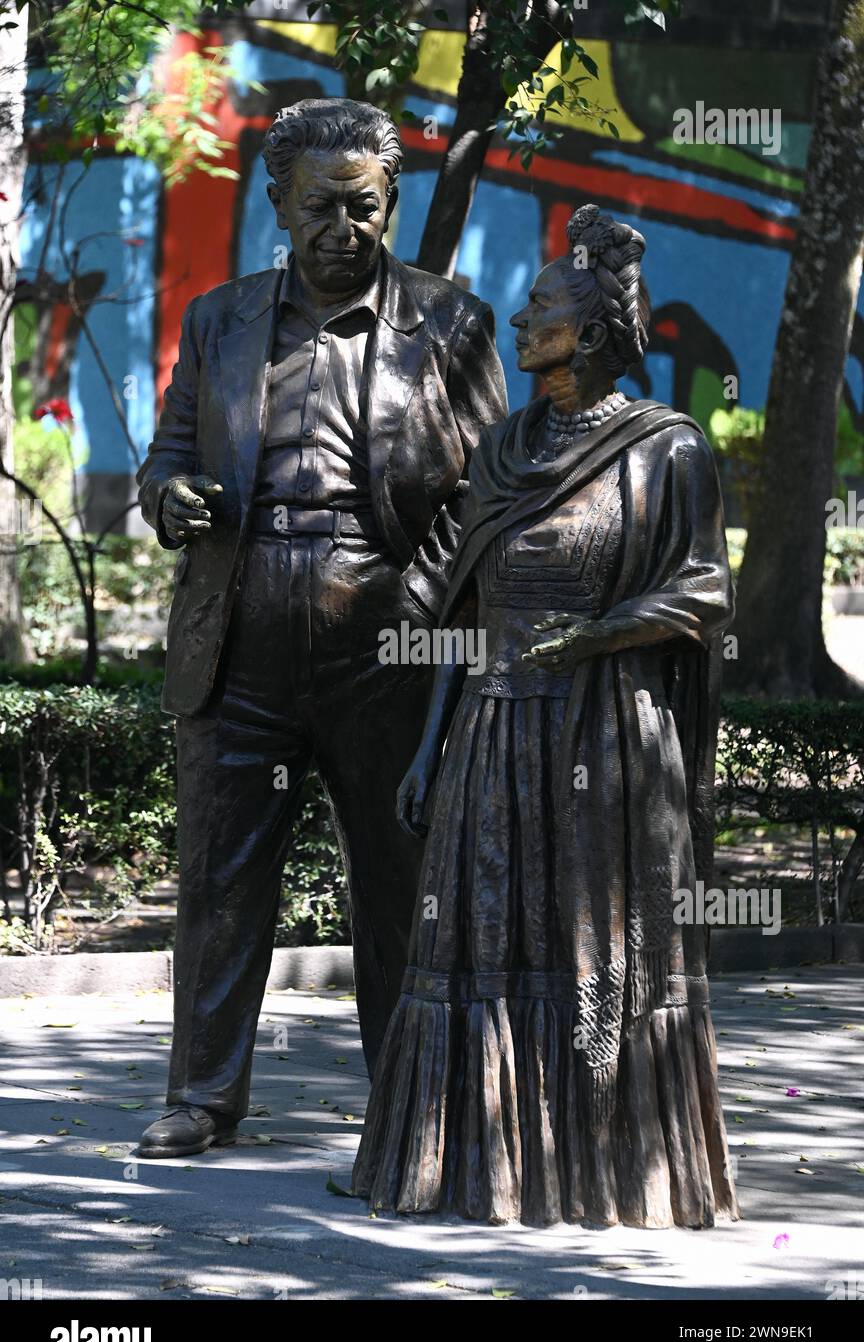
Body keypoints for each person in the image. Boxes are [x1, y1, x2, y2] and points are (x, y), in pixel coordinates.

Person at [352, 204, 740, 1228]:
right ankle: (474, 1163)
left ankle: (609, 1171)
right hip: (495, 731)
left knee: (595, 947)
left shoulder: (669, 450)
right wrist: (429, 750)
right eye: (527, 308)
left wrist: (601, 634)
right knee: (479, 944)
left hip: (609, 735)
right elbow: (469, 612)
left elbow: (705, 592)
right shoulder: (501, 450)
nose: (522, 322)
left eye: (543, 311)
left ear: (595, 330)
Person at [135, 98, 507, 1159]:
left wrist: (428, 601)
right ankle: (202, 1095)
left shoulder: (450, 323)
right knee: (219, 876)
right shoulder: (220, 320)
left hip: (383, 636)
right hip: (239, 631)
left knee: (398, 875)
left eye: (365, 207)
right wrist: (171, 500)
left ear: (392, 202)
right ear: (280, 206)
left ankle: (408, 1091)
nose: (344, 229)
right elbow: (167, 456)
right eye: (320, 209)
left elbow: (489, 493)